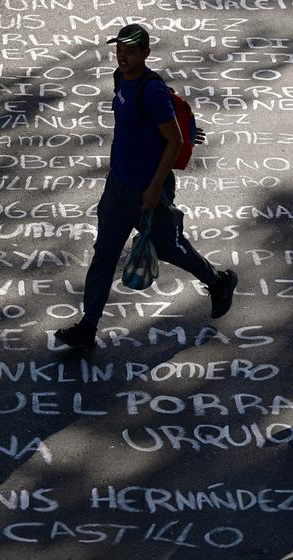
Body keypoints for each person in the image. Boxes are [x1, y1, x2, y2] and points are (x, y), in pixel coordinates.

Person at [56, 24, 237, 350]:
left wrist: (154, 189)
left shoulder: (151, 90)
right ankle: (87, 328)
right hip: (117, 187)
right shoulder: (120, 79)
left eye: (130, 51)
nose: (122, 56)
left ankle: (218, 281)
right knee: (104, 255)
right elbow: (153, 121)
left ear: (145, 53)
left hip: (147, 192)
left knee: (169, 248)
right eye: (119, 49)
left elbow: (174, 140)